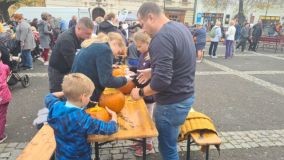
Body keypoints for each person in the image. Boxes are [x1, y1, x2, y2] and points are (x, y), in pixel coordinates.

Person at [130, 2, 196, 160]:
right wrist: (152, 70)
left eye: (142, 23)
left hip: (171, 103)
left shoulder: (160, 38)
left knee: (168, 148)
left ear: (150, 17)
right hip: (185, 97)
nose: (143, 29)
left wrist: (139, 92)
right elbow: (179, 62)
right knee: (170, 144)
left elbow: (161, 83)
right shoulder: (181, 28)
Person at [45, 73, 118, 160]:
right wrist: (114, 117)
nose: (90, 99)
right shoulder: (82, 119)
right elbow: (109, 128)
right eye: (89, 96)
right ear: (83, 97)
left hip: (61, 155)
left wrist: (67, 92)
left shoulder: (56, 107)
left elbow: (49, 97)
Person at [71, 32, 131, 102]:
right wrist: (125, 79)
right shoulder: (106, 50)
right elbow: (107, 81)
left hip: (76, 89)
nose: (115, 56)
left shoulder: (95, 45)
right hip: (86, 94)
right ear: (115, 43)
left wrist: (108, 67)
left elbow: (90, 65)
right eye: (118, 52)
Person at [48, 17, 94, 93]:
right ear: (78, 28)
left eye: (90, 34)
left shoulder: (79, 36)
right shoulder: (67, 39)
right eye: (87, 34)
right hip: (59, 71)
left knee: (69, 93)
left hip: (67, 68)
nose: (89, 37)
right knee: (59, 94)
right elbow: (73, 64)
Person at [131, 31, 155, 156]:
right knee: (141, 118)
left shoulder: (152, 56)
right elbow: (141, 70)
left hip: (149, 94)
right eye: (136, 46)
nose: (137, 48)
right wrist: (132, 70)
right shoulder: (143, 54)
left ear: (147, 43)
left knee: (147, 119)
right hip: (141, 92)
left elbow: (154, 75)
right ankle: (142, 140)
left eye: (140, 46)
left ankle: (149, 144)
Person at [0, 51, 12, 143]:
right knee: (2, 115)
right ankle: (0, 135)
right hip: (2, 95)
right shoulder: (5, 67)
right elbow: (8, 75)